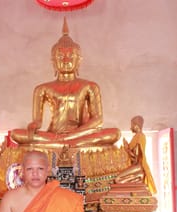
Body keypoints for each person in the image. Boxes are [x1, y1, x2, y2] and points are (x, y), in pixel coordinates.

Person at [10, 18, 120, 147]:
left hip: (79, 134)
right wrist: (34, 125)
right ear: (53, 61)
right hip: (54, 134)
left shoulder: (90, 86)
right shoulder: (42, 89)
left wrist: (71, 135)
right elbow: (37, 121)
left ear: (79, 60)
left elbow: (98, 120)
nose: (66, 60)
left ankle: (63, 143)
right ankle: (66, 143)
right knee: (15, 134)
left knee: (114, 133)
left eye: (71, 56)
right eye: (61, 56)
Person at [115, 115, 157, 194]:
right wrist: (127, 147)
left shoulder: (139, 137)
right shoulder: (138, 136)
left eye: (132, 125)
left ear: (136, 126)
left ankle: (138, 180)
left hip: (138, 166)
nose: (130, 128)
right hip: (136, 166)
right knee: (118, 179)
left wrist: (127, 148)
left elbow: (135, 157)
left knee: (118, 179)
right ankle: (138, 179)